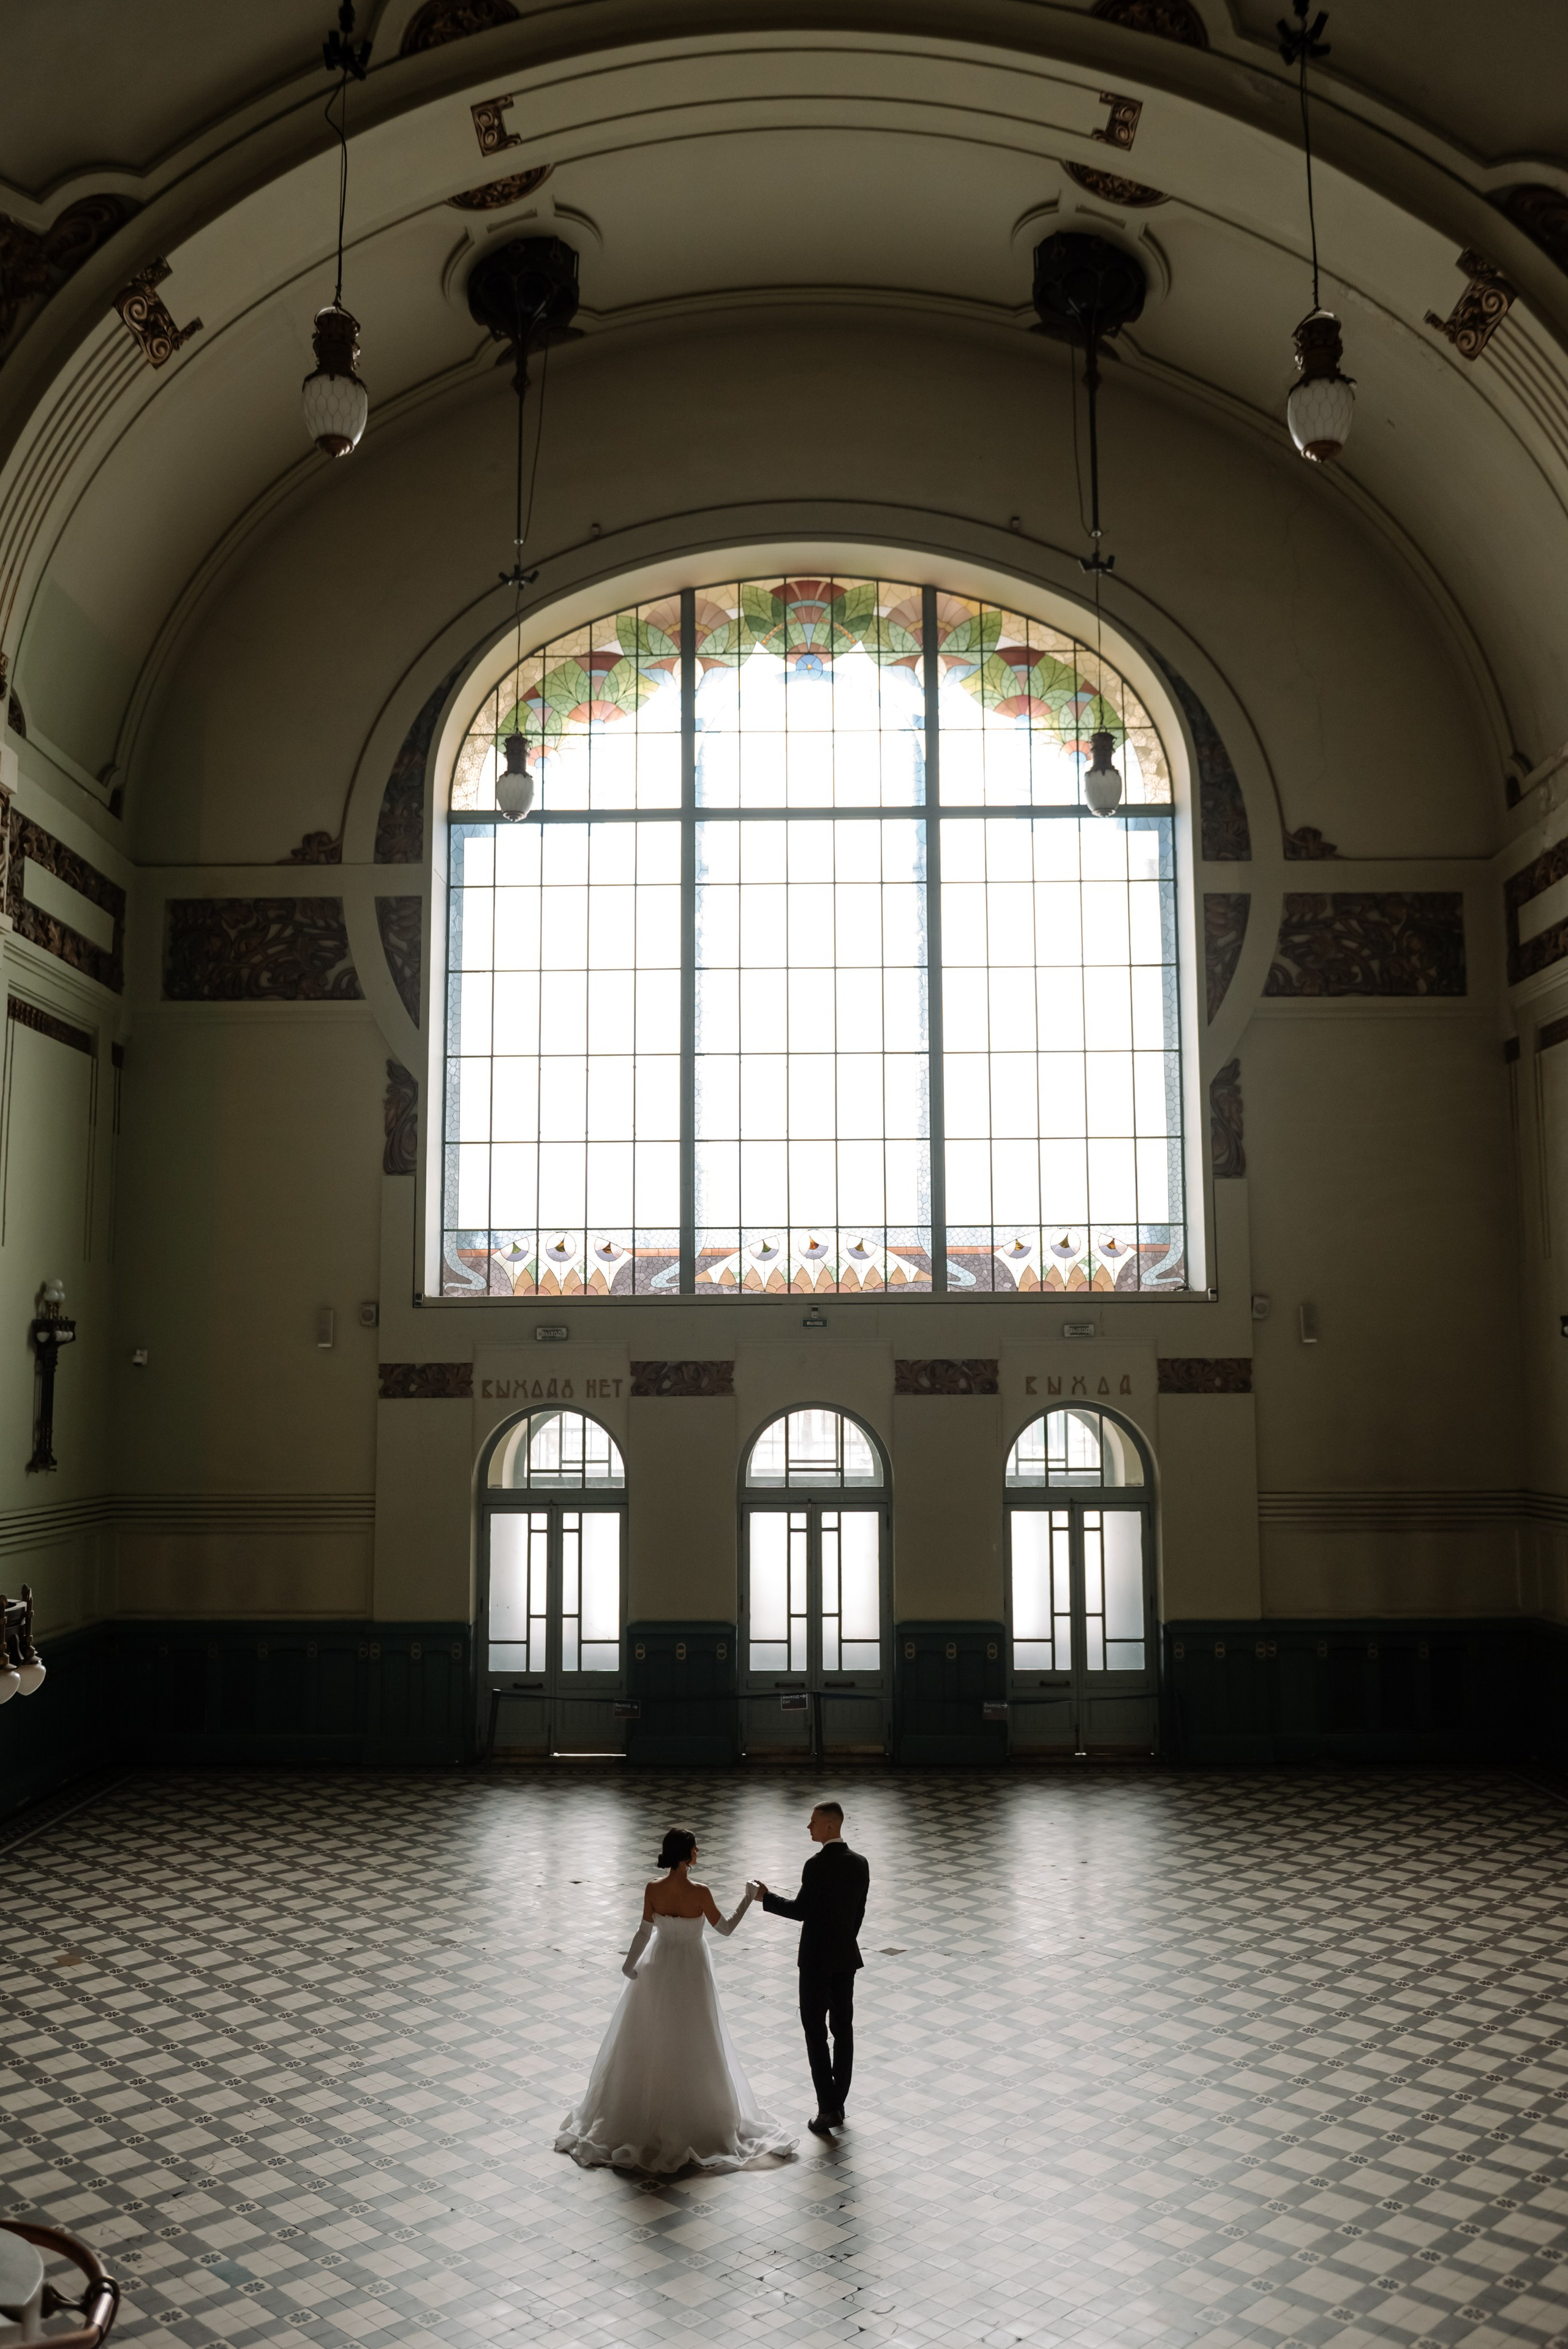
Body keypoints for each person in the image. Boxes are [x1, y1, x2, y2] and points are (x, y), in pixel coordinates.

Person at [555, 1827, 796, 2173]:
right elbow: (725, 1929)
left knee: (649, 2036)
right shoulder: (700, 1892)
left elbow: (643, 1932)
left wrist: (628, 1965)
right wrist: (748, 1898)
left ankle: (641, 2115)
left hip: (657, 1963)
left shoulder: (654, 1888)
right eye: (695, 1848)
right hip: (692, 1970)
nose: (698, 1851)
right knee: (695, 2037)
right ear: (688, 1855)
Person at [755, 1800, 870, 2138]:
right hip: (846, 1957)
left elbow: (801, 1910)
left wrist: (767, 1898)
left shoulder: (816, 1865)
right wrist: (846, 1941)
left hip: (816, 1962)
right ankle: (839, 2102)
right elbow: (858, 1912)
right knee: (843, 2030)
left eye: (814, 1822)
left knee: (815, 2031)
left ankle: (827, 2108)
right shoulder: (861, 1864)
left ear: (831, 1826)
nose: (809, 1827)